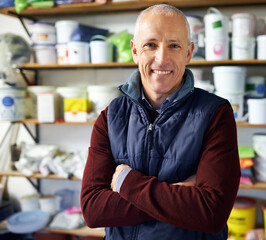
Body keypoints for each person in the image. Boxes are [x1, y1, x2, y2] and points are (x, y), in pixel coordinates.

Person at [80, 4, 240, 240]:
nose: (162, 58)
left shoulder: (215, 114)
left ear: (188, 52)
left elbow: (211, 212)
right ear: (135, 51)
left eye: (174, 45)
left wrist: (126, 183)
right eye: (150, 45)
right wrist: (178, 196)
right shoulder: (110, 117)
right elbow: (93, 209)